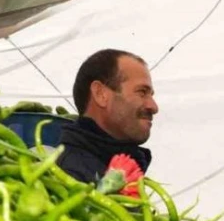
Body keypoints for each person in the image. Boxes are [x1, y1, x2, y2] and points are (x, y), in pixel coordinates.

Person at [57, 49, 159, 184]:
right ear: (100, 94)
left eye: (151, 95)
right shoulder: (69, 177)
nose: (154, 107)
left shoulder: (110, 170)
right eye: (142, 92)